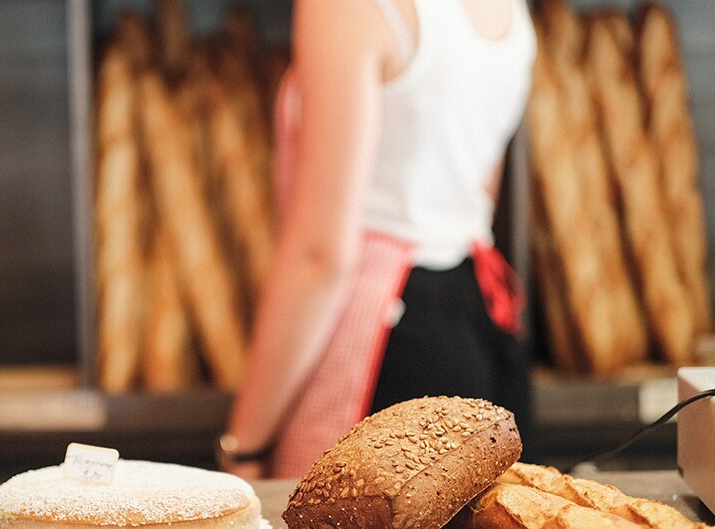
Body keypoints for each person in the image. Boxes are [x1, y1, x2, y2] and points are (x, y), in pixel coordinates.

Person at [217, 0, 537, 480]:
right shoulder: (510, 10)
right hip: (479, 325)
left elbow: (321, 257)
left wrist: (242, 448)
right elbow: (479, 194)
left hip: (385, 349)